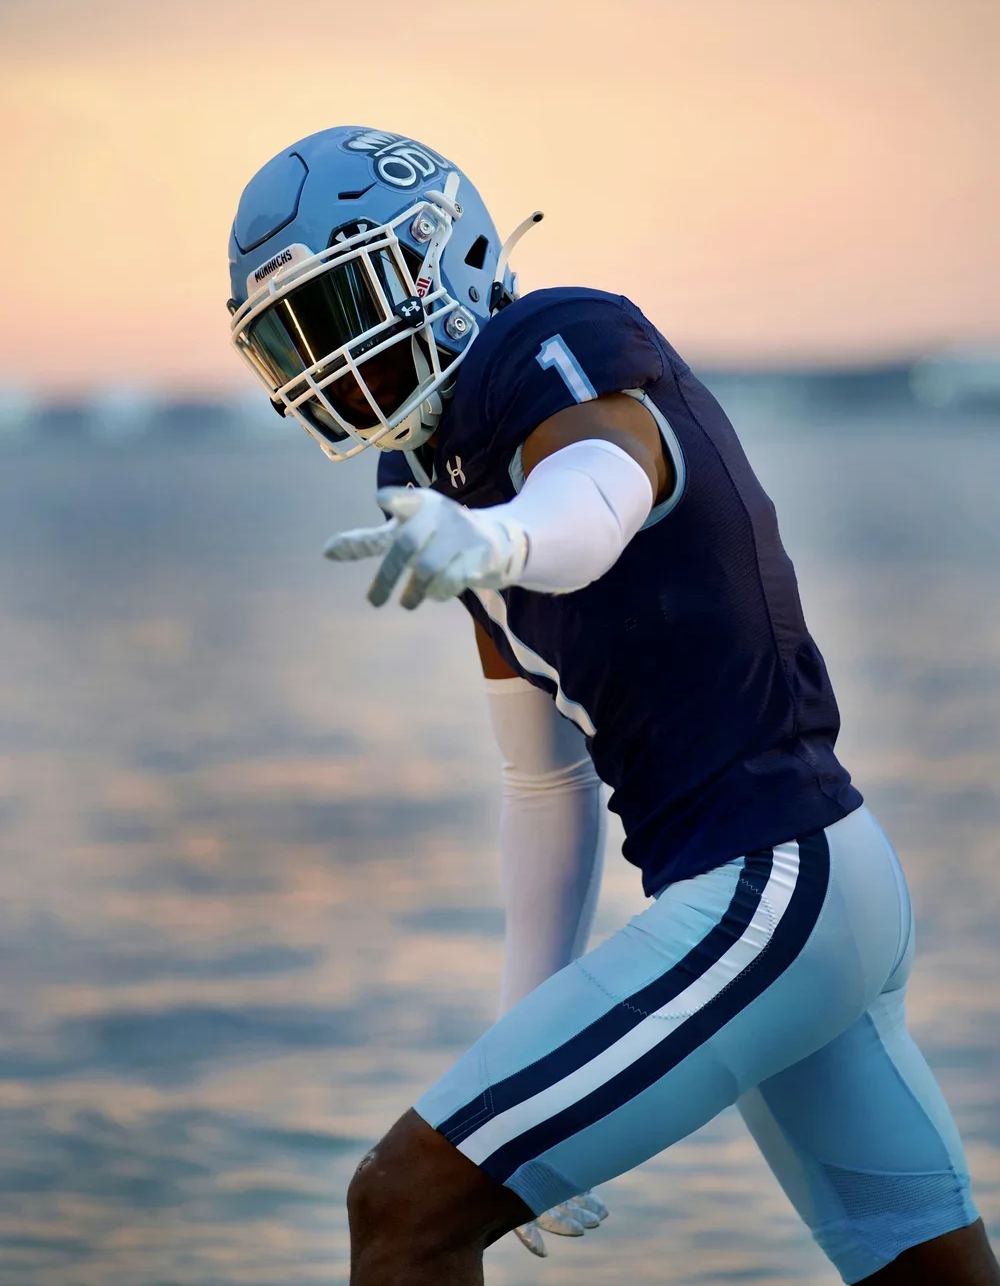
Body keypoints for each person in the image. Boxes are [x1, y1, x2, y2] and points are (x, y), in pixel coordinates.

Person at [227, 126, 998, 1285]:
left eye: (351, 309)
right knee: (922, 1276)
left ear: (445, 260)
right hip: (798, 891)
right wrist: (518, 1040)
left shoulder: (554, 343)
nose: (339, 359)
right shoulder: (427, 481)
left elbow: (593, 504)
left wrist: (495, 539)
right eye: (304, 334)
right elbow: (545, 781)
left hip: (775, 880)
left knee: (401, 1206)